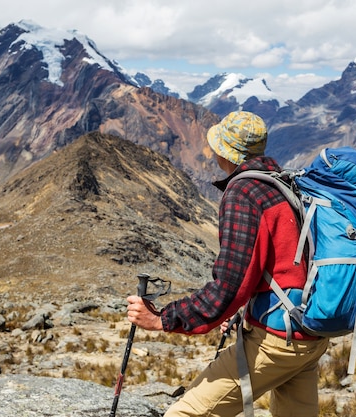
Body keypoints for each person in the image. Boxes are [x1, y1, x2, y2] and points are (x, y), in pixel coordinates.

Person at [126, 111, 329, 417]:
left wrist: (163, 319)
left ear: (227, 152)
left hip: (277, 341)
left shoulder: (244, 193)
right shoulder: (282, 181)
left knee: (184, 414)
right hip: (310, 331)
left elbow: (229, 286)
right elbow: (285, 265)